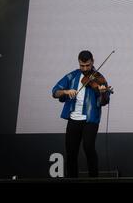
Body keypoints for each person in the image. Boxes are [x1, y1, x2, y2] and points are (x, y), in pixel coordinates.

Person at [52, 50, 111, 178]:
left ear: (92, 62)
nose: (85, 69)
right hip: (73, 119)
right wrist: (66, 92)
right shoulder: (72, 76)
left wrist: (102, 92)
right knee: (71, 152)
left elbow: (104, 101)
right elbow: (55, 91)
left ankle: (93, 179)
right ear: (79, 63)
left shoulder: (99, 78)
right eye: (82, 66)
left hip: (90, 120)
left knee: (89, 148)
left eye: (88, 65)